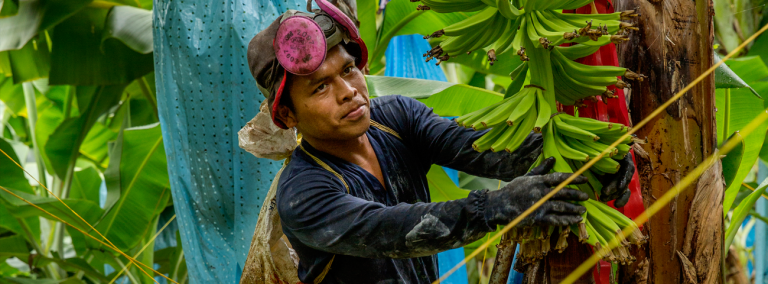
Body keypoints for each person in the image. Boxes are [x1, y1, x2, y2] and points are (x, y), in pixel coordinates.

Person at [246, 2, 634, 283]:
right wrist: (499, 206)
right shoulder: (303, 193)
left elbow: (480, 147)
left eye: (349, 70)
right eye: (320, 88)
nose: (348, 91)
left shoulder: (395, 116)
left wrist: (590, 156)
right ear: (288, 116)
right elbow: (392, 230)